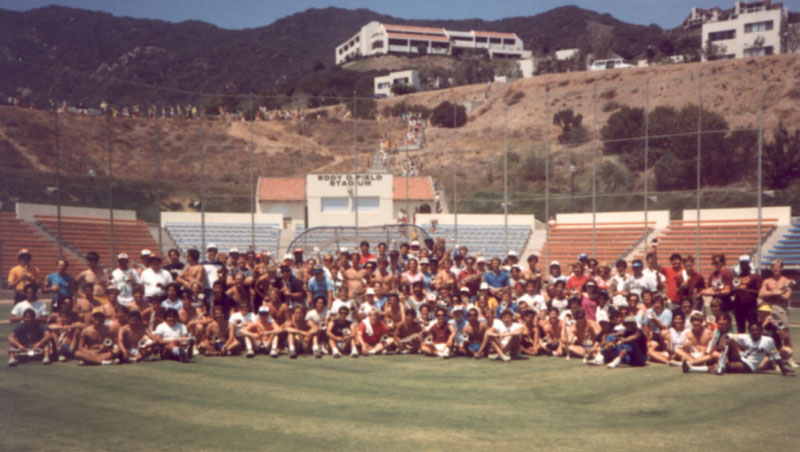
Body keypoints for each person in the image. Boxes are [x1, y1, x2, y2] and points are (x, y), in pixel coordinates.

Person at [683, 322, 795, 376]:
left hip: (749, 366)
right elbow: (727, 335)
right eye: (752, 330)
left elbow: (776, 356)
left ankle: (691, 369)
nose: (755, 332)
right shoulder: (746, 337)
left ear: (761, 330)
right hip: (740, 358)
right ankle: (721, 366)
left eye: (757, 330)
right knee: (730, 340)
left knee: (727, 366)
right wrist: (722, 343)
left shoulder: (768, 341)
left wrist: (784, 371)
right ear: (750, 331)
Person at [731, 255, 762, 333]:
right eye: (742, 264)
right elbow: (731, 292)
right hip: (738, 305)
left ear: (749, 264)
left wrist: (744, 290)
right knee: (740, 328)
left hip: (750, 305)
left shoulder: (755, 276)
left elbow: (760, 292)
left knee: (753, 326)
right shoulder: (737, 277)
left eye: (745, 263)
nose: (743, 266)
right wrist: (734, 290)